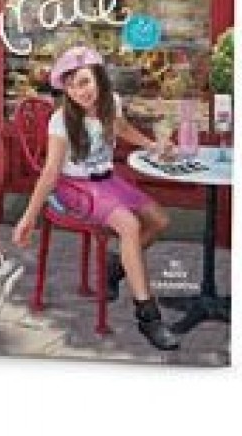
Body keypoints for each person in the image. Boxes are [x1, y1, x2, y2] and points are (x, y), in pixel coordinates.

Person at [11, 46, 181, 351]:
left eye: (85, 81)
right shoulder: (61, 120)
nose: (80, 91)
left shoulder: (110, 102)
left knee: (160, 220)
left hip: (108, 181)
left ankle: (115, 267)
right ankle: (148, 317)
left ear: (99, 78)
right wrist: (29, 216)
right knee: (129, 225)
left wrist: (152, 145)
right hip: (75, 187)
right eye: (72, 85)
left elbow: (121, 127)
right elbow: (50, 172)